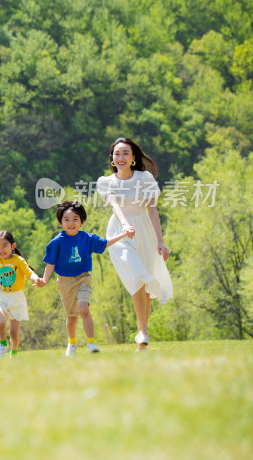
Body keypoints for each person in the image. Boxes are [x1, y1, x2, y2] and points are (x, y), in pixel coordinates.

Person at [96, 137, 173, 351]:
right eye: (116, 154)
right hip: (119, 234)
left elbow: (152, 209)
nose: (120, 157)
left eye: (125, 153)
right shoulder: (106, 182)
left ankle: (143, 333)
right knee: (137, 275)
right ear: (112, 158)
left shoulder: (144, 178)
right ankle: (142, 330)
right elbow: (114, 206)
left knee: (145, 286)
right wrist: (125, 226)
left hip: (144, 231)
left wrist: (160, 241)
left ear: (133, 158)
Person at [34, 201, 131, 356]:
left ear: (82, 221)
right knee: (71, 317)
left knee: (84, 309)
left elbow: (105, 244)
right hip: (65, 282)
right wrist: (44, 280)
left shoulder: (87, 238)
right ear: (60, 222)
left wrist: (124, 234)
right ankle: (72, 343)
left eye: (75, 219)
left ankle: (91, 343)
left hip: (83, 278)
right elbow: (50, 263)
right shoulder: (57, 242)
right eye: (66, 219)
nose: (71, 223)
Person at [0, 230, 44, 358]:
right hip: (0, 297)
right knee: (0, 322)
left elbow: (29, 273)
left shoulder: (19, 260)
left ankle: (13, 354)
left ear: (13, 246)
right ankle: (2, 345)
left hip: (17, 298)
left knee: (14, 333)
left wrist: (37, 279)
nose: (1, 249)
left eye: (5, 245)